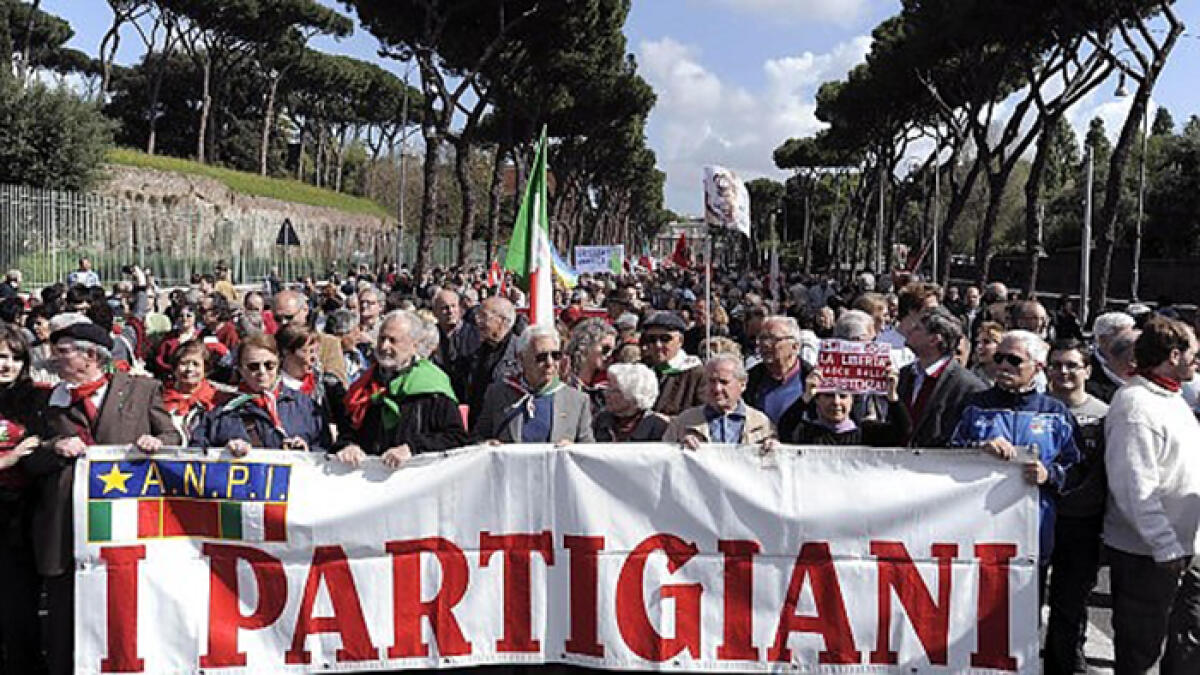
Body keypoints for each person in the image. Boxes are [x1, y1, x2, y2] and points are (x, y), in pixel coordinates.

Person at [28, 318, 180, 675]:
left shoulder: (141, 390)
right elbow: (30, 458)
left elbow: (173, 438)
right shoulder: (49, 400)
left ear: (90, 356)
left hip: (124, 526)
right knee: (65, 615)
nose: (54, 359)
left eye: (63, 352)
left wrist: (157, 444)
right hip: (64, 526)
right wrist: (53, 448)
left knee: (124, 610)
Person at [950, 330, 1081, 602]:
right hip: (977, 525)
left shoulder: (1055, 412)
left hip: (1033, 525)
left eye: (1014, 360)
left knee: (1025, 608)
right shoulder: (973, 405)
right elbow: (943, 455)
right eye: (999, 358)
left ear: (1037, 366)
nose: (1004, 366)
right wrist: (977, 451)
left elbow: (1077, 467)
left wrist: (1050, 474)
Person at [1103, 316, 1200, 674]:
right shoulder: (1136, 405)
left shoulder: (1172, 399)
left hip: (1181, 549)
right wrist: (1164, 545)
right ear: (1174, 355)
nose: (1198, 361)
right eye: (1194, 353)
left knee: (1186, 644)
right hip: (1147, 555)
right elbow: (1134, 487)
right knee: (1141, 650)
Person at [1044, 339, 1110, 675]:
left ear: (1087, 369)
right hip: (1036, 522)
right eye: (1056, 365)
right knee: (1022, 606)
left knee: (1069, 607)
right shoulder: (1035, 408)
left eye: (1071, 365)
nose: (1063, 372)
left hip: (1082, 524)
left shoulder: (1105, 416)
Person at [335, 310, 467, 468]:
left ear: (414, 345)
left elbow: (455, 438)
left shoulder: (433, 386)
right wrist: (349, 446)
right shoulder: (364, 385)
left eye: (393, 340)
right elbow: (347, 431)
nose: (385, 346)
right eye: (382, 339)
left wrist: (412, 448)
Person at [190, 333, 329, 456]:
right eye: (253, 367)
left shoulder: (306, 407)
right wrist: (223, 453)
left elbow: (326, 453)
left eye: (269, 365)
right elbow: (195, 454)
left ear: (278, 364)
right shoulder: (222, 412)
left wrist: (307, 451)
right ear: (240, 370)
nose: (262, 372)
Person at [0, 324, 48, 674]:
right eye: (2, 357)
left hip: (23, 517)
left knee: (21, 607)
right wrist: (9, 458)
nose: (8, 365)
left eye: (16, 358)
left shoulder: (38, 397)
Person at [474, 326, 594, 444]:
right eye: (541, 357)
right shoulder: (498, 394)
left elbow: (587, 450)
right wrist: (487, 445)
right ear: (521, 358)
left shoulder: (577, 401)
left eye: (556, 356)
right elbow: (478, 438)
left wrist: (573, 450)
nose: (550, 363)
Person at [898, 306, 986, 447]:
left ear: (934, 340)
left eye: (917, 329)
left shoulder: (968, 387)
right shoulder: (904, 375)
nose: (909, 331)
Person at [777, 366, 910, 446]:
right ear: (817, 399)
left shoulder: (867, 433)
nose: (836, 402)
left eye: (843, 396)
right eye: (828, 395)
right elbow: (785, 427)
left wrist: (892, 396)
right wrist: (806, 396)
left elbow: (903, 431)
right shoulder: (806, 432)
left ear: (852, 400)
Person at [664, 354, 774, 447]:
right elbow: (666, 460)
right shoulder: (683, 422)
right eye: (711, 381)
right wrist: (678, 448)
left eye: (724, 382)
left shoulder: (761, 424)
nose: (717, 389)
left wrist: (773, 448)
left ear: (742, 384)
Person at [464, 296, 521, 428]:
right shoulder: (478, 353)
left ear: (502, 320)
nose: (478, 322)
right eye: (478, 316)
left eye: (484, 317)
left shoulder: (520, 352)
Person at [273, 290, 348, 387]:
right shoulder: (270, 344)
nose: (283, 323)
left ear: (305, 310)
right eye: (278, 319)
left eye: (289, 317)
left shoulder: (328, 344)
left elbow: (339, 384)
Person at [744, 316, 807, 426]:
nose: (765, 344)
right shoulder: (750, 379)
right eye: (762, 338)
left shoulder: (811, 378)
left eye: (773, 339)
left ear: (795, 346)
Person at [641, 311, 705, 416]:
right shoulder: (643, 370)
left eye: (665, 339)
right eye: (651, 339)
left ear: (680, 341)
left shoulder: (696, 374)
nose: (658, 345)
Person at [593, 363, 671, 442]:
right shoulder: (600, 420)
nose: (606, 394)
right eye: (608, 387)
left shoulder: (657, 427)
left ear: (634, 397)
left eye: (616, 391)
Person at [160, 340, 221, 440]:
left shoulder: (216, 399)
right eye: (184, 363)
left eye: (196, 364)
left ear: (205, 369)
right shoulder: (160, 397)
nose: (189, 369)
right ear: (175, 368)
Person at [431, 288, 479, 399]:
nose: (450, 311)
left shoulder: (475, 335)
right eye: (445, 308)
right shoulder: (430, 336)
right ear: (435, 312)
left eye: (453, 306)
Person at [566, 318, 617, 413]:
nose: (610, 355)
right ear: (586, 345)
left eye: (613, 351)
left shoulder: (603, 392)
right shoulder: (566, 385)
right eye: (605, 349)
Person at [1088, 313, 1137, 403]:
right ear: (1104, 340)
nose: (1132, 343)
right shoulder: (1087, 372)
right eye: (1125, 339)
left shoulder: (1140, 365)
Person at [971, 321, 1004, 387]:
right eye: (978, 342)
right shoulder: (971, 376)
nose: (979, 346)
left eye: (986, 342)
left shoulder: (1007, 375)